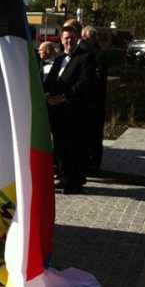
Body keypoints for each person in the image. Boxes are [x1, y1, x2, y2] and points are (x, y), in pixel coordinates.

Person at [44, 27, 95, 194]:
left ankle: (75, 182)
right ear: (61, 39)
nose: (69, 41)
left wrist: (64, 97)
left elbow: (84, 84)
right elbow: (50, 81)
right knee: (60, 146)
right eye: (66, 38)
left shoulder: (86, 58)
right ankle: (64, 177)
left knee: (74, 148)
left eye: (72, 38)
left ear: (77, 39)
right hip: (57, 112)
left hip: (75, 111)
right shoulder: (59, 59)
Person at [81, 25, 108, 171]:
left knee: (93, 134)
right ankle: (93, 161)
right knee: (94, 135)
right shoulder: (99, 53)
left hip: (93, 101)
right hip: (96, 101)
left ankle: (93, 162)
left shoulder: (93, 54)